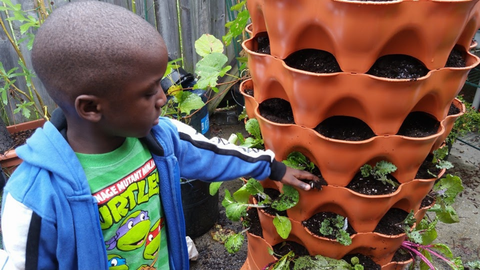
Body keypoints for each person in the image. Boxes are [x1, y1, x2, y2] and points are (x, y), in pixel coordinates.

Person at [0, 1, 319, 269]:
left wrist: (275, 168)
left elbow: (215, 154)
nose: (163, 98)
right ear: (91, 108)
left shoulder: (160, 138)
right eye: (147, 92)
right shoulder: (33, 198)